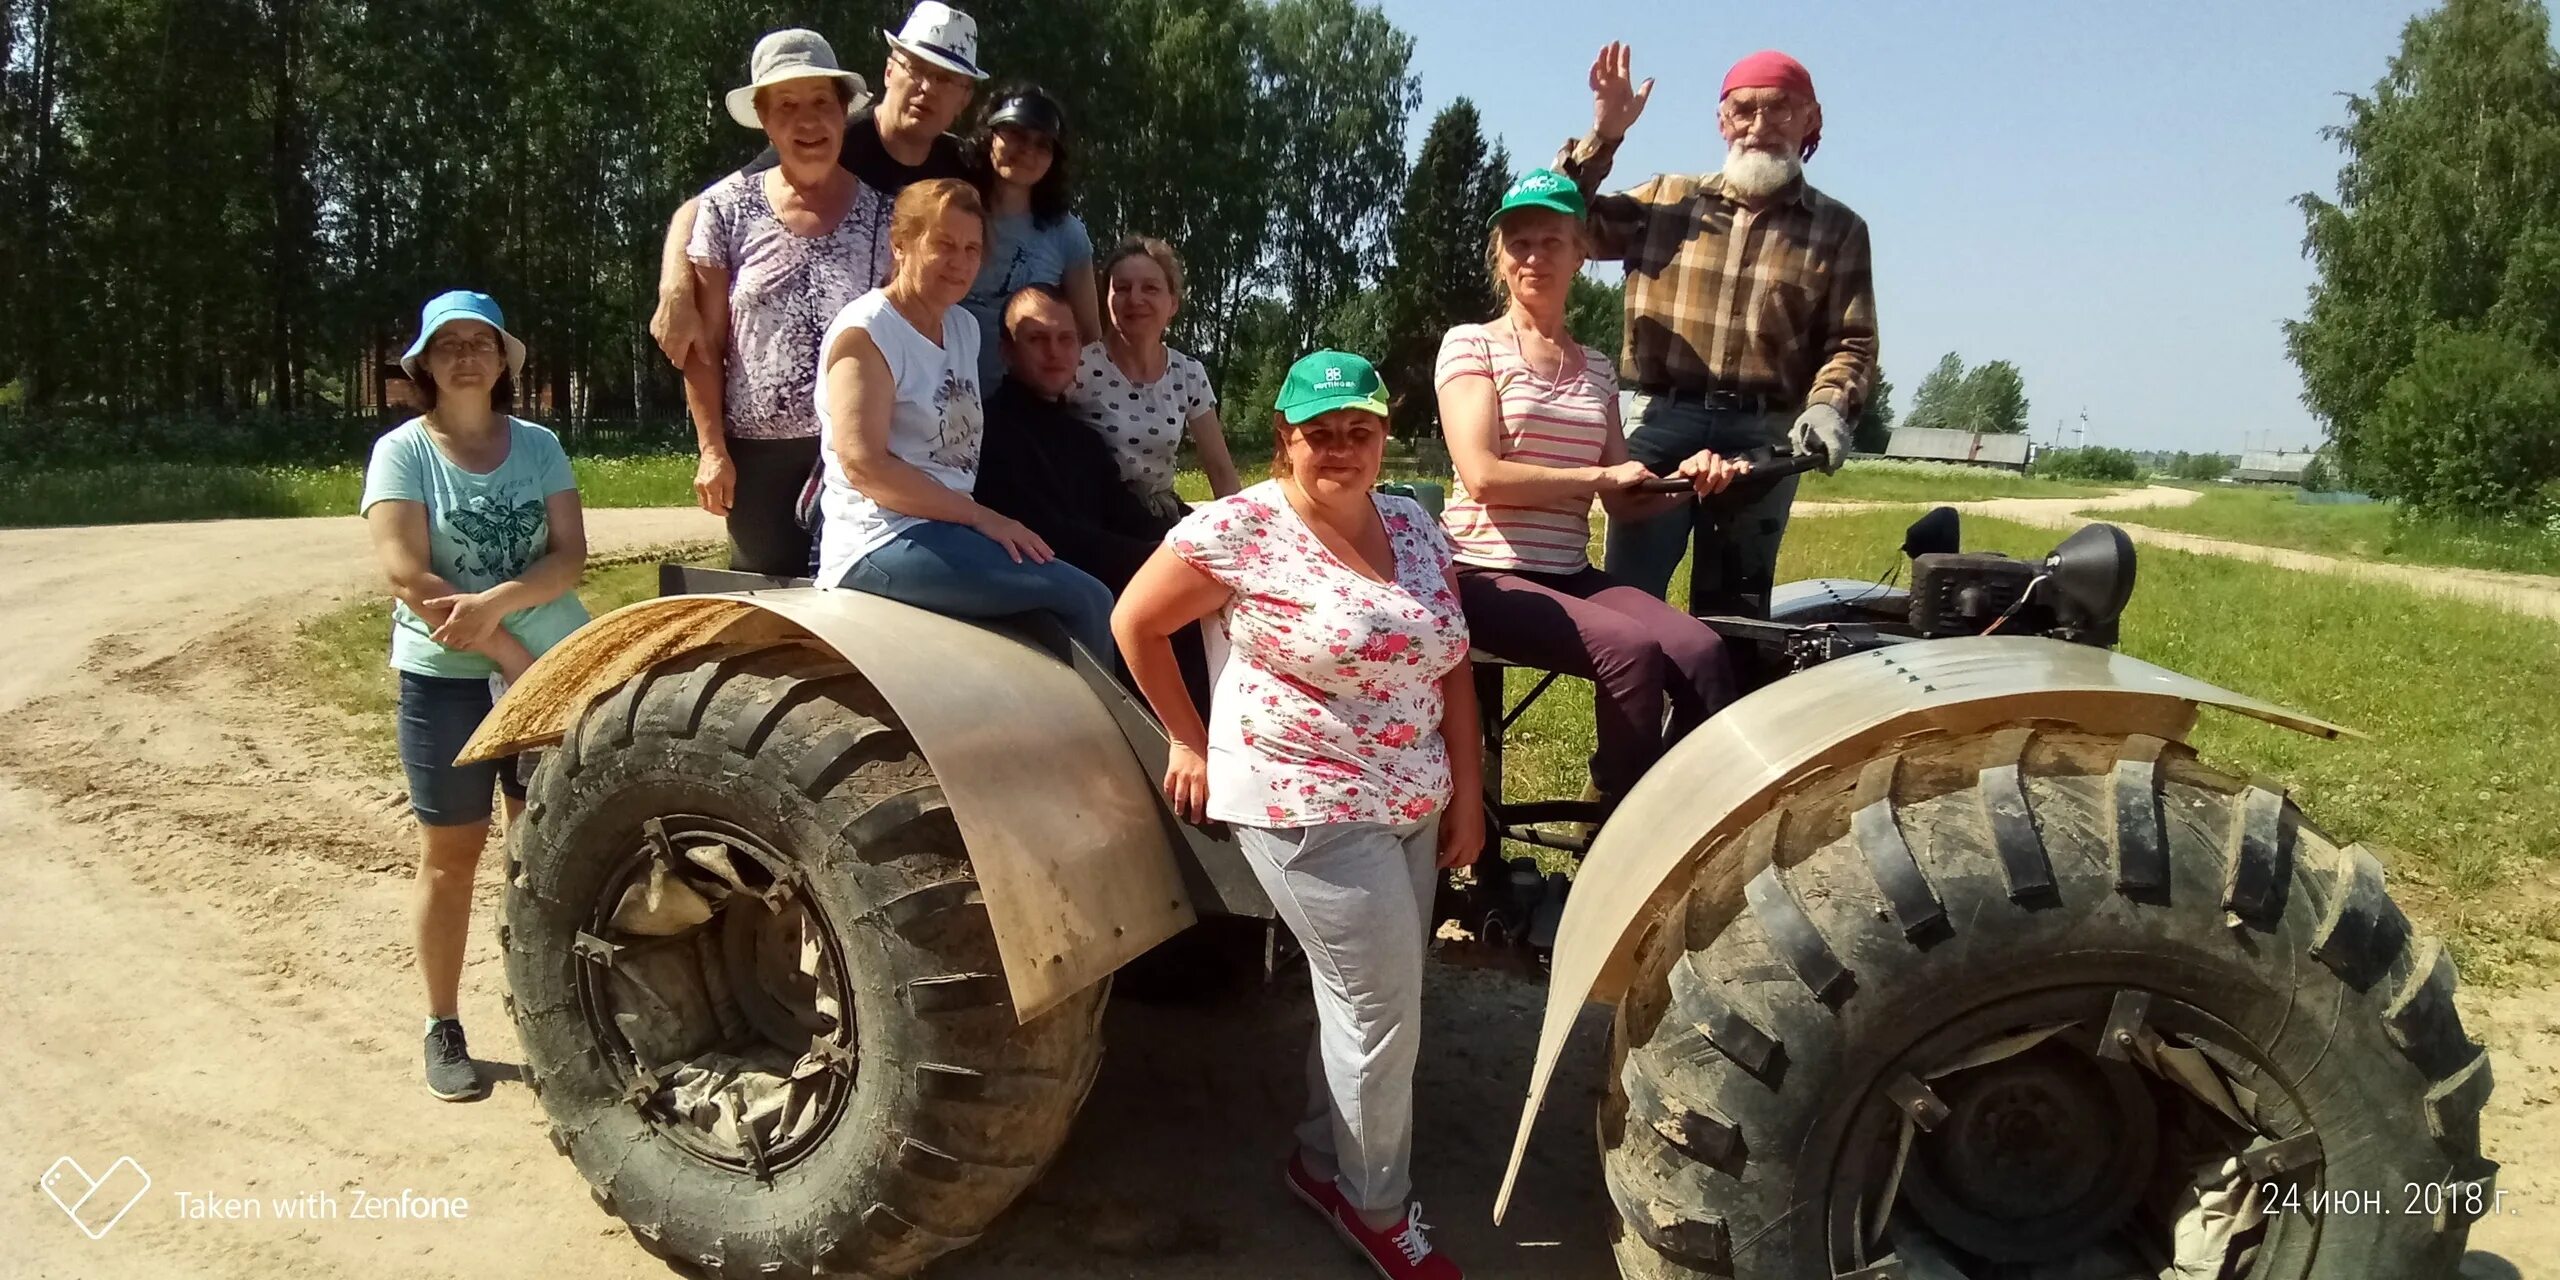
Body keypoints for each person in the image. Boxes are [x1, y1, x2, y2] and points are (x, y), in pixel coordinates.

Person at [1112, 350, 1479, 1280]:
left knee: (1371, 1004)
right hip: (1305, 800)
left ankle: (1324, 1162)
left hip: (1414, 798)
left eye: (1360, 430)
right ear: (1285, 438)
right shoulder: (1241, 531)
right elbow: (1136, 623)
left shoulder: (1412, 523)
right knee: (1382, 1012)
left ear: (1385, 435)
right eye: (1320, 433)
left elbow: (1452, 663)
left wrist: (1469, 793)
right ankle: (1377, 1208)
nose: (1342, 449)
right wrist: (1189, 740)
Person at [1438, 169, 1747, 807]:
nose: (1533, 255)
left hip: (1567, 572)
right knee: (1629, 649)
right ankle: (1618, 827)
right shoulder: (1471, 346)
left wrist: (1688, 482)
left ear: (1581, 251)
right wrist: (1601, 476)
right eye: (1518, 241)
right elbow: (1483, 476)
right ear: (1501, 255)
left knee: (1703, 651)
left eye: (1551, 240)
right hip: (1480, 573)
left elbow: (1621, 496)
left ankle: (1690, 811)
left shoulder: (1597, 368)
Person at [360, 290, 589, 1101]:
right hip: (449, 681)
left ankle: (561, 1019)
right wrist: (497, 641)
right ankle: (443, 1024)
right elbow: (404, 572)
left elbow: (569, 559)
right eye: (447, 344)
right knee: (451, 861)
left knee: (545, 856)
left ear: (502, 362)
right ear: (423, 363)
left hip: (551, 670)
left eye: (481, 343)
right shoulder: (401, 453)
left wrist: (498, 606)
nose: (465, 356)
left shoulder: (540, 446)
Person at [1555, 43, 1876, 610]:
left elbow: (1850, 341)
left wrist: (1828, 405)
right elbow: (1556, 219)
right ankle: (1638, 699)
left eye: (1779, 109)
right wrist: (1604, 136)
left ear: (1811, 119)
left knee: (1736, 613)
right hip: (1660, 421)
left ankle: (1721, 699)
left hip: (1763, 437)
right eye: (1744, 110)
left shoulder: (1839, 229)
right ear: (1723, 122)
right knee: (1629, 607)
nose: (1760, 126)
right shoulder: (1666, 200)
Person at [815, 179, 1117, 658]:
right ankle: (1104, 736)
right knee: (1086, 599)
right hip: (881, 539)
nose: (959, 262)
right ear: (901, 245)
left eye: (972, 248)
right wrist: (985, 519)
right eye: (943, 245)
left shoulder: (962, 328)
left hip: (947, 530)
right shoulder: (868, 331)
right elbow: (865, 466)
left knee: (1077, 583)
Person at [652, 1, 985, 372]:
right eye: (917, 68)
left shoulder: (962, 169)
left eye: (945, 79)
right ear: (890, 70)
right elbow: (704, 206)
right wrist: (675, 290)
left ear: (965, 98)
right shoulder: (828, 136)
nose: (927, 87)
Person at [681, 29, 890, 576]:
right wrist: (712, 450)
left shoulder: (886, 219)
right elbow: (704, 345)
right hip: (758, 459)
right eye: (787, 106)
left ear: (844, 112)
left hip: (857, 455)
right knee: (765, 610)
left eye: (822, 102)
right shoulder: (726, 211)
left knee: (857, 605)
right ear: (765, 119)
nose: (807, 122)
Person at [1067, 236, 1243, 518]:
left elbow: (1220, 469)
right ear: (1107, 298)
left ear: (1172, 304)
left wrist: (1244, 536)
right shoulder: (1077, 366)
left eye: (1150, 288)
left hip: (1160, 518)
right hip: (1095, 518)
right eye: (1122, 288)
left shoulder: (1188, 374)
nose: (1135, 299)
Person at [959, 85, 1102, 384]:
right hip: (940, 396)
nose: (1027, 151)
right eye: (1016, 135)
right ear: (989, 136)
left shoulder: (1067, 234)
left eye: (1042, 145)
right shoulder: (951, 211)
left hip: (1022, 408)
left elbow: (1088, 336)